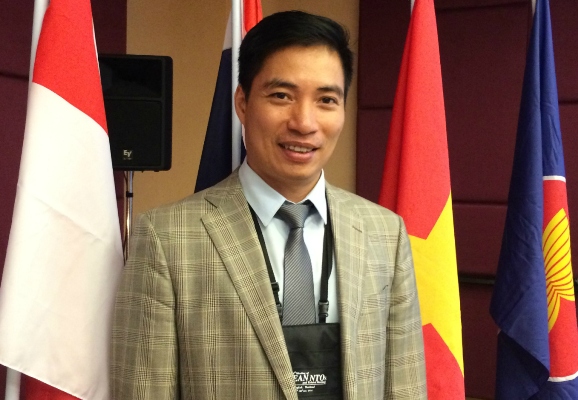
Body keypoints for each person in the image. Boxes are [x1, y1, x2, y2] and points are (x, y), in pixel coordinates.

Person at [111, 10, 426, 400]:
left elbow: (405, 386)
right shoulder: (168, 238)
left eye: (326, 100)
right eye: (282, 96)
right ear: (243, 103)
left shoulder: (385, 233)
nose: (304, 122)